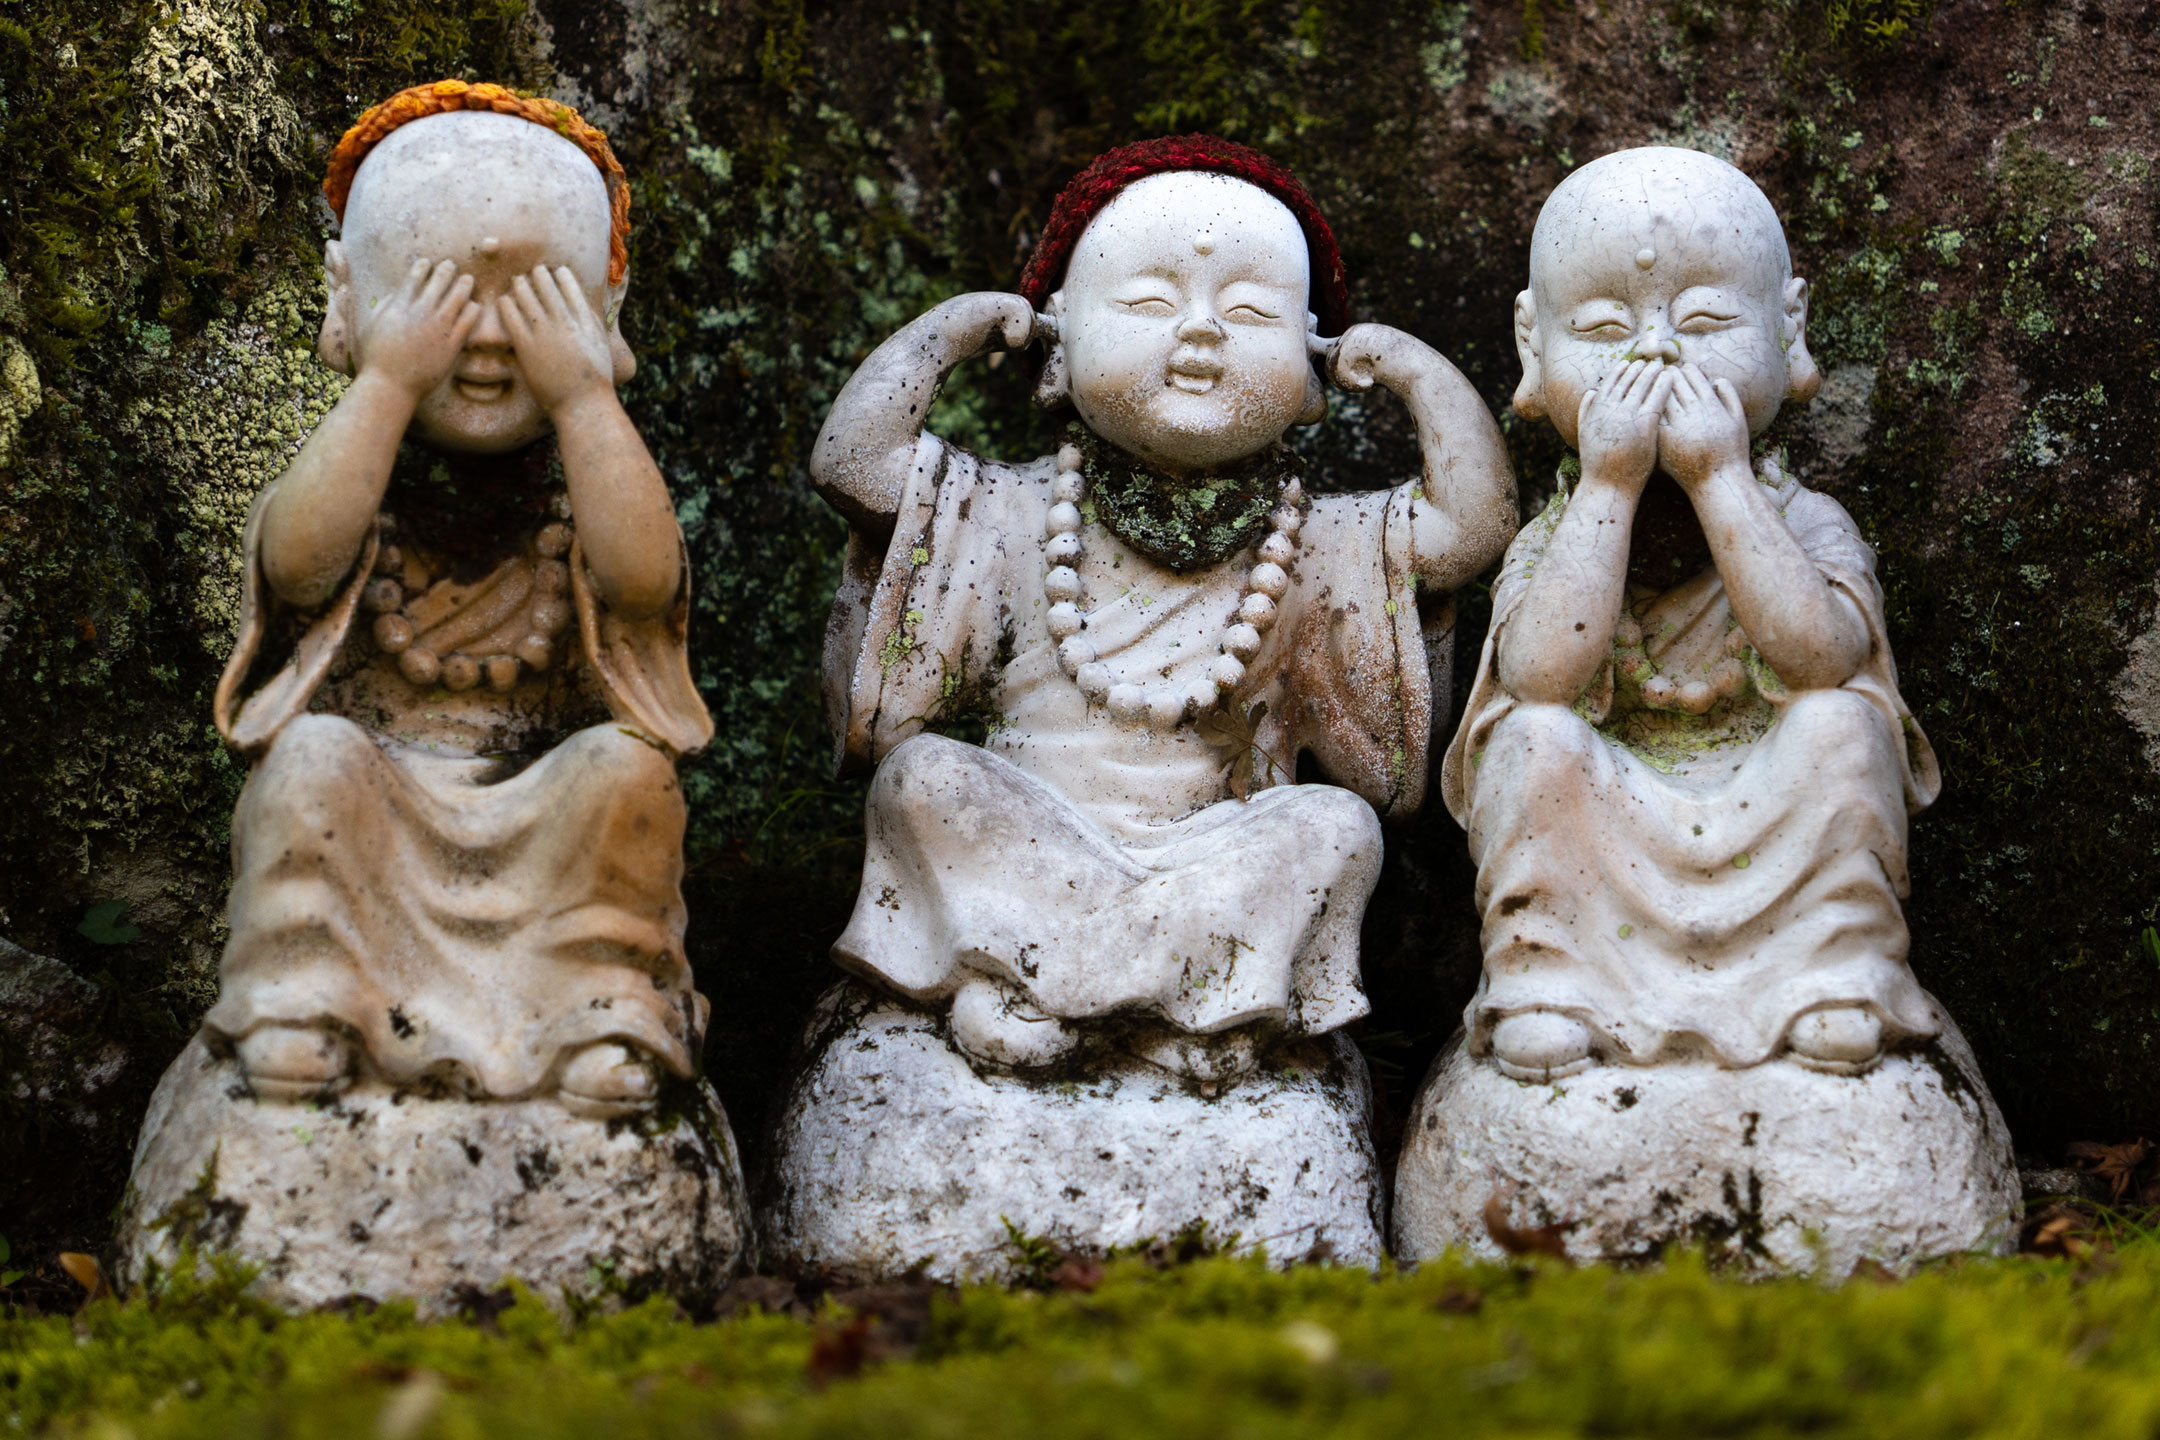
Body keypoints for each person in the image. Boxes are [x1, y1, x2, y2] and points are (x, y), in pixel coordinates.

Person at [814, 135, 1515, 1077]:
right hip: (1031, 832)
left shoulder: (1317, 544)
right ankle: (1039, 981)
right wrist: (946, 334)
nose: (1200, 331)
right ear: (1056, 349)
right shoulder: (1012, 510)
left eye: (1252, 311)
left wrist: (1416, 375)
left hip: (1213, 843)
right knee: (925, 781)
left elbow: (1469, 533)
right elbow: (855, 469)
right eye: (1149, 302)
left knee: (1333, 829)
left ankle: (1196, 1000)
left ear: (1313, 373)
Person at [204, 81, 711, 1116]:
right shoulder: (357, 468)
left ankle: (599, 1008)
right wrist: (386, 385)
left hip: (541, 790)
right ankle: (307, 999)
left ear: (607, 314)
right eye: (436, 292)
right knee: (312, 762)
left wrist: (582, 397)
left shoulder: (586, 473)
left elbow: (643, 582)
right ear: (344, 298)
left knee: (629, 778)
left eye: (535, 301)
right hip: (379, 791)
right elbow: (297, 569)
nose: (483, 339)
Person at [1443, 145, 1943, 1082]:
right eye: (1600, 327)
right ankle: (1552, 984)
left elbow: (1820, 660)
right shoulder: (1552, 537)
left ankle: (1830, 976)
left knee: (1840, 728)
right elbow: (1542, 674)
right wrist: (1606, 485)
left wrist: (1719, 479)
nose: (1655, 349)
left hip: (1770, 803)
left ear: (1789, 332)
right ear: (1531, 348)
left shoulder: (1803, 521)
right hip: (1611, 816)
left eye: (1707, 319)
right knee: (1533, 744)